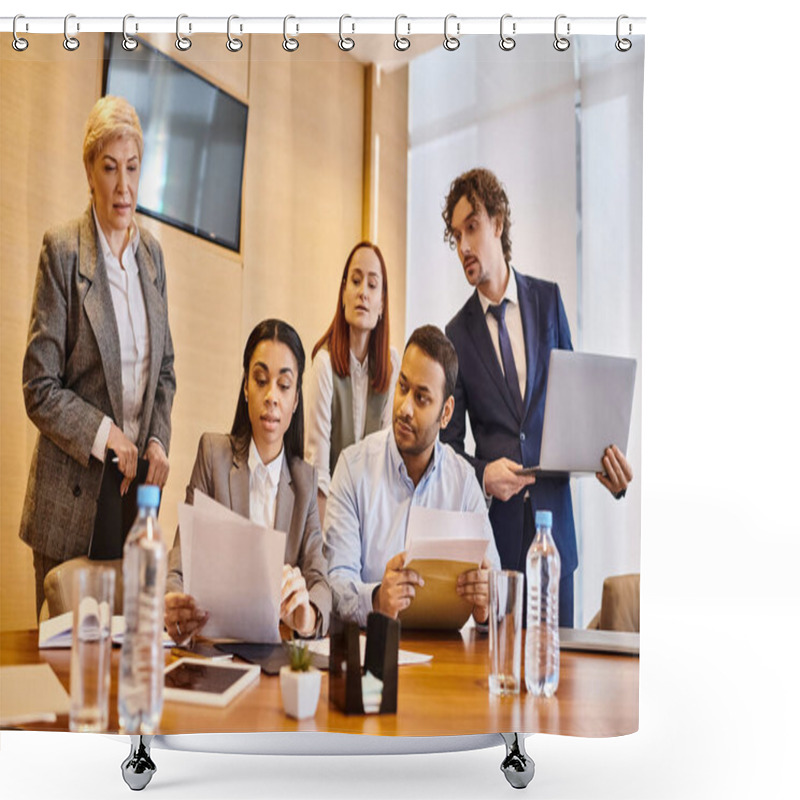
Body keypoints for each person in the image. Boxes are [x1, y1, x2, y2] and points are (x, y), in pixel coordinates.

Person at [439, 168, 633, 628]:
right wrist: (484, 473)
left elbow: (577, 410)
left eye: (472, 227)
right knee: (501, 683)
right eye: (456, 235)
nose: (464, 246)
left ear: (498, 223)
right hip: (497, 546)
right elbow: (445, 448)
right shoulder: (455, 335)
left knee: (558, 687)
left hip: (555, 538)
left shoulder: (548, 301)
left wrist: (607, 468)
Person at [20, 96, 176, 619]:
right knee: (72, 667)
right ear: (90, 172)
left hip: (135, 499)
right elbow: (38, 388)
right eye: (110, 168)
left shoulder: (152, 257)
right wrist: (106, 432)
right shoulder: (63, 251)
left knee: (128, 649)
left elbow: (166, 372)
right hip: (72, 496)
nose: (123, 185)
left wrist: (156, 437)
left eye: (132, 167)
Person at [324, 325, 501, 628]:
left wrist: (488, 602)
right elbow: (335, 582)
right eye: (403, 387)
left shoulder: (464, 482)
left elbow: (495, 583)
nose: (405, 408)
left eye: (421, 398)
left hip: (447, 661)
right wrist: (377, 598)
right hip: (372, 657)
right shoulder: (353, 468)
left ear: (446, 413)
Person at [165, 319, 331, 641]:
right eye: (260, 380)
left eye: (284, 386)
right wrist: (173, 603)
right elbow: (180, 562)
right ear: (245, 387)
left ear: (295, 400)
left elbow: (320, 580)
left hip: (275, 652)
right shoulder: (213, 456)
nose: (271, 397)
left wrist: (306, 615)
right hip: (214, 644)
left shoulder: (305, 481)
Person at [305, 242, 399, 526]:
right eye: (356, 282)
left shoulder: (392, 365)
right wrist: (326, 548)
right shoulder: (323, 364)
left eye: (372, 285)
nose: (363, 293)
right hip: (327, 517)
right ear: (343, 293)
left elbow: (387, 465)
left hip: (371, 518)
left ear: (382, 303)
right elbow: (318, 471)